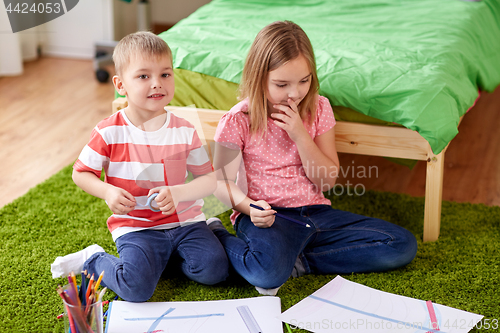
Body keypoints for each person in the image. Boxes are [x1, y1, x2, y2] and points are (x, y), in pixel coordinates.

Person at [208, 21, 417, 296]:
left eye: (304, 81)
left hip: (316, 214)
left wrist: (300, 135)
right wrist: (250, 209)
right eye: (282, 84)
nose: (294, 93)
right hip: (268, 217)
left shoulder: (319, 107)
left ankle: (300, 262)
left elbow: (327, 181)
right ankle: (216, 236)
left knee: (400, 244)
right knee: (266, 273)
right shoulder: (238, 120)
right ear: (259, 78)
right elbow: (220, 183)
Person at [51, 31, 228, 302]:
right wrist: (108, 191)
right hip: (136, 225)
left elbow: (208, 180)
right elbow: (81, 173)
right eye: (144, 76)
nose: (157, 84)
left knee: (214, 271)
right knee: (136, 289)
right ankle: (94, 258)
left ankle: (182, 249)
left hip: (185, 221)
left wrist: (179, 193)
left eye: (165, 75)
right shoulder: (108, 131)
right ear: (120, 84)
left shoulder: (184, 129)